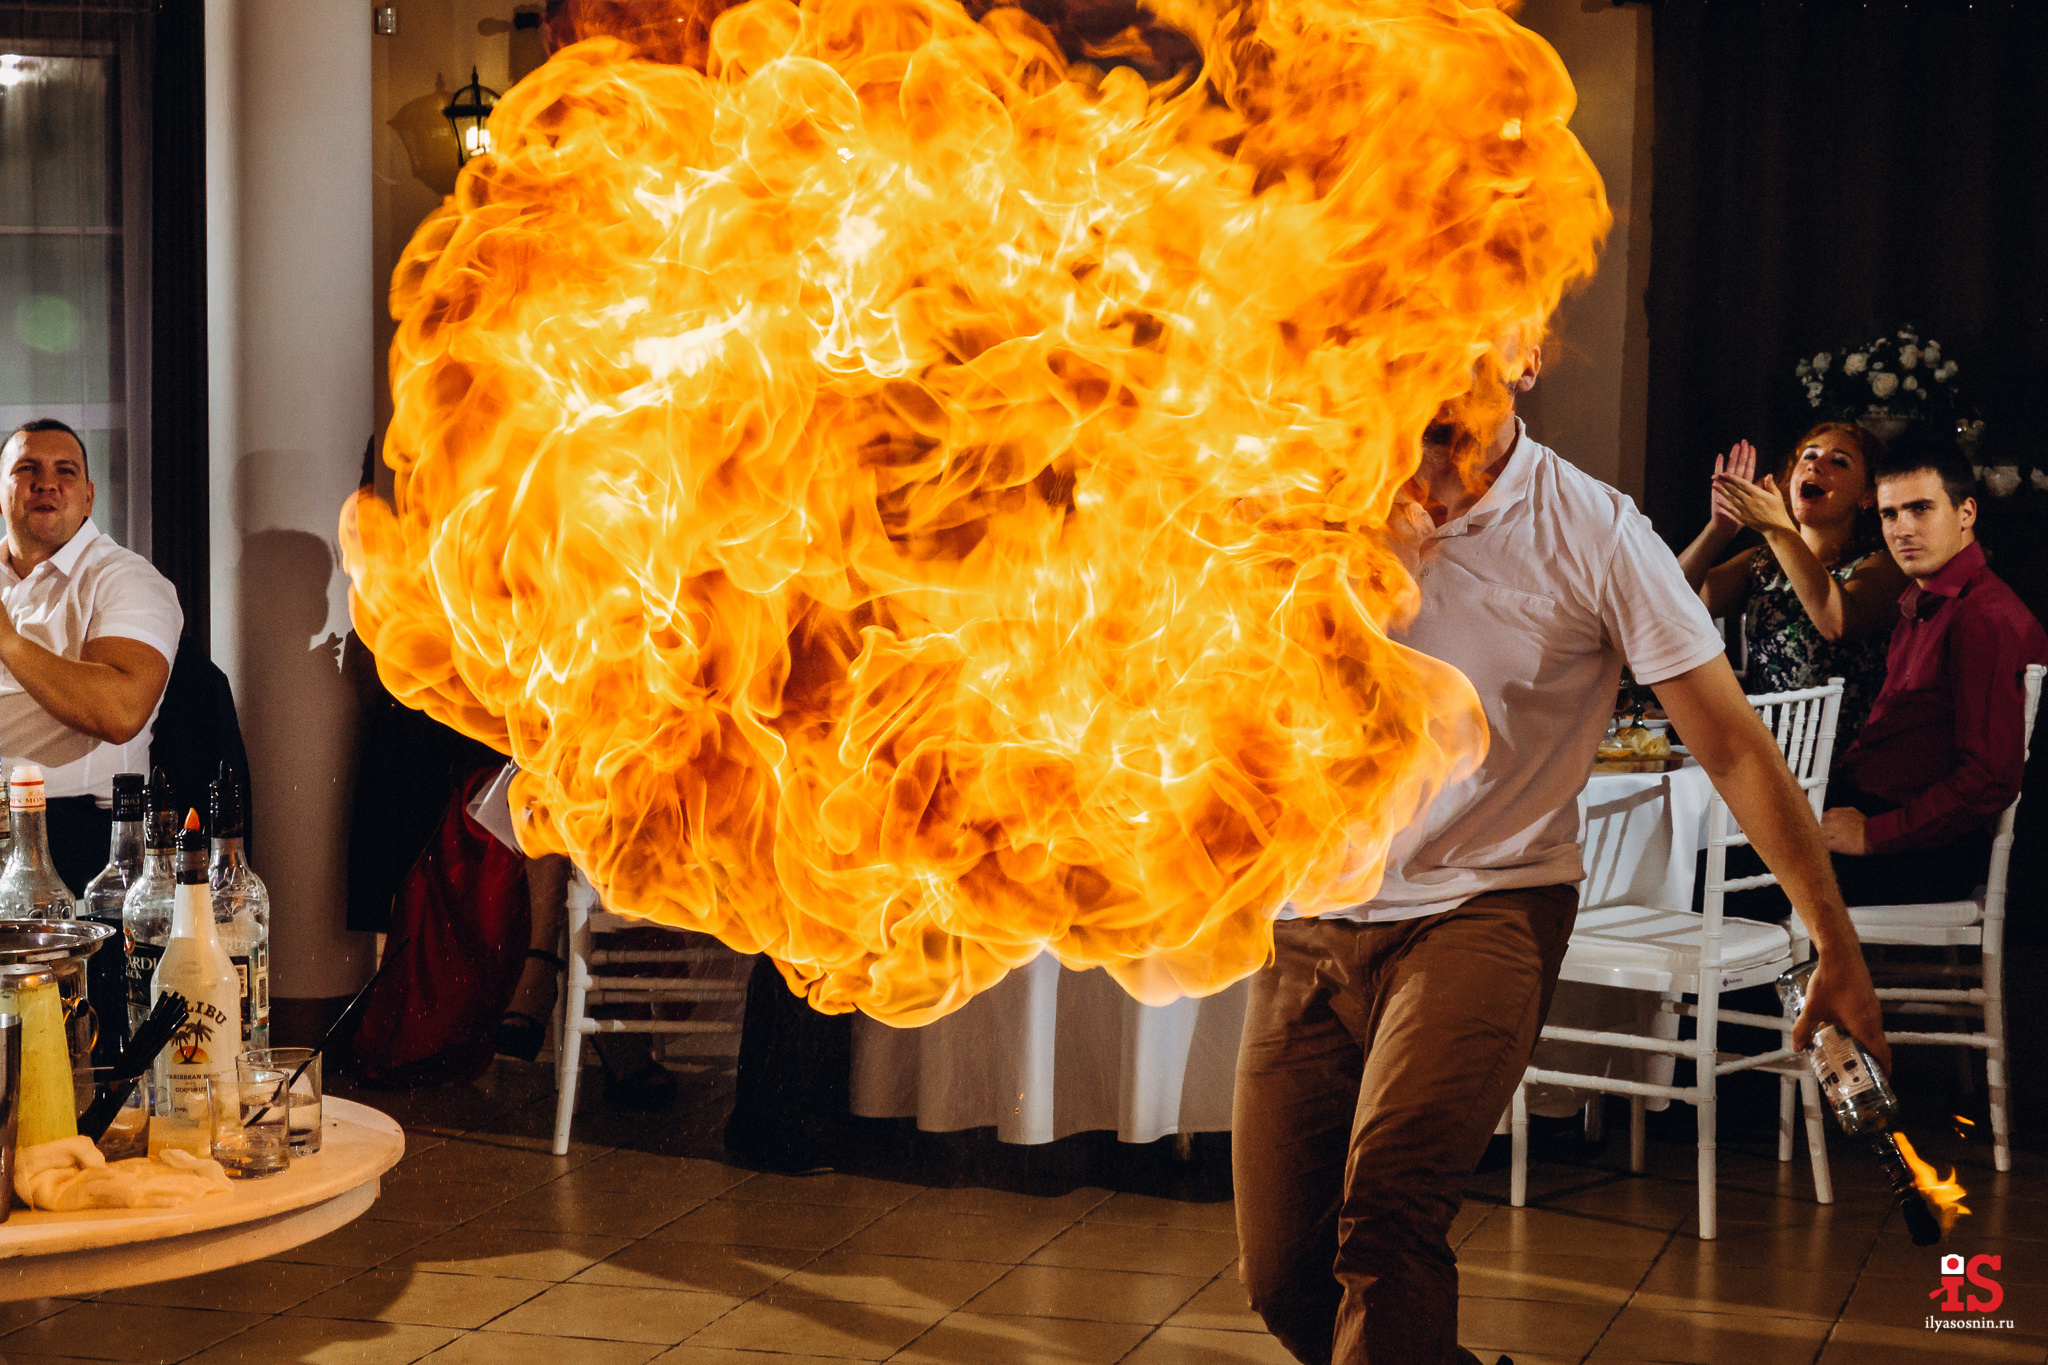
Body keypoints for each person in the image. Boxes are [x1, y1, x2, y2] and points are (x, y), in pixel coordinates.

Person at [1231, 344, 1890, 1365]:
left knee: (1387, 1219)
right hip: (1311, 916)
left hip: (1484, 908)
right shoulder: (1327, 499)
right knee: (1282, 1282)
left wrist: (1831, 943)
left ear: (1521, 358)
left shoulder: (1594, 531)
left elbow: (1732, 749)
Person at [1820, 443, 2048, 905]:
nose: (1902, 529)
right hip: (1879, 814)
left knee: (1714, 879)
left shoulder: (1983, 617)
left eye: (1920, 509)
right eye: (1889, 514)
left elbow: (1990, 779)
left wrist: (1872, 835)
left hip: (1929, 852)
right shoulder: (1922, 604)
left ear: (1966, 513)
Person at [0, 420, 182, 892]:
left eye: (66, 470)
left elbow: (121, 709)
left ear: (89, 497)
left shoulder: (123, 578)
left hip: (77, 843)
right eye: (26, 468)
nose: (46, 483)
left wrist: (9, 642)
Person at [1678, 424, 1904, 748]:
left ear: (1868, 495)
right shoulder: (1761, 562)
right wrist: (1718, 530)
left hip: (1838, 767)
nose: (1815, 465)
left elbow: (1837, 622)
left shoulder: (1883, 565)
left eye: (1839, 461)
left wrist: (1777, 528)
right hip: (1761, 756)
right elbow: (1670, 601)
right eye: (1808, 456)